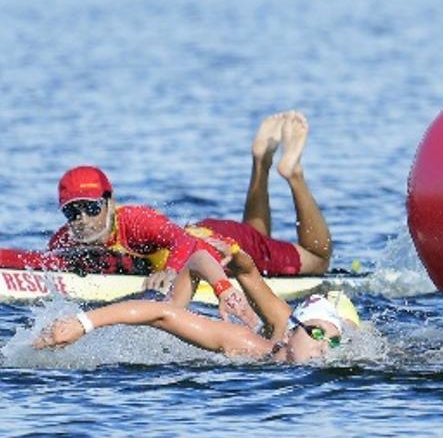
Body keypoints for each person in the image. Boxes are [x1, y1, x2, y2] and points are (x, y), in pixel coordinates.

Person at [50, 111, 334, 290]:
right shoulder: (64, 240)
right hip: (208, 229)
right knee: (259, 236)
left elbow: (182, 242)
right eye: (72, 212)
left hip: (225, 243)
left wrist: (171, 272)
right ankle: (261, 161)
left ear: (110, 202)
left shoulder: (134, 220)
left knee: (318, 259)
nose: (82, 220)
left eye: (90, 208)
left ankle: (292, 173)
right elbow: (37, 261)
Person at [33, 243, 357, 363]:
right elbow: (162, 313)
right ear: (290, 334)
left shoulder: (287, 333)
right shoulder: (249, 342)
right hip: (143, 306)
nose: (325, 346)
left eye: (335, 339)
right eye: (317, 334)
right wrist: (83, 322)